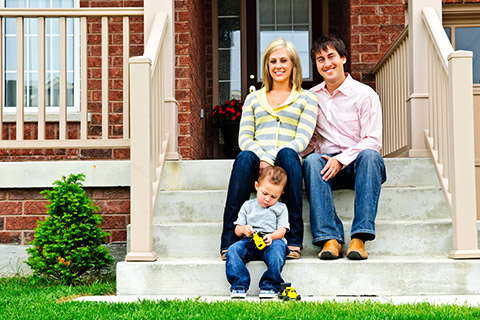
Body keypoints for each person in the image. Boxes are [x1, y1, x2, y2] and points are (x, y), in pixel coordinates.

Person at [220, 38, 318, 260]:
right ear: (267, 65)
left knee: (288, 154)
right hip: (257, 161)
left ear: (293, 64)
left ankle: (293, 242)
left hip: (286, 163)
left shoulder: (307, 98)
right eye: (273, 61)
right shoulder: (253, 98)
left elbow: (302, 139)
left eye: (284, 60)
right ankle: (229, 240)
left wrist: (271, 159)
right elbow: (244, 136)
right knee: (244, 157)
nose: (278, 66)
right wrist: (262, 158)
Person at [302, 35, 387, 260]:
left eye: (331, 56)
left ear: (343, 59)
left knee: (370, 155)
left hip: (359, 166)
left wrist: (341, 159)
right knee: (311, 161)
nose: (327, 63)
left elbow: (373, 140)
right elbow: (309, 141)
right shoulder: (311, 98)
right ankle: (330, 239)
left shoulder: (365, 95)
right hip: (327, 168)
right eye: (320, 59)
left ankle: (359, 238)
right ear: (317, 65)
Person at [226, 166, 289, 299]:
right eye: (264, 193)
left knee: (278, 251)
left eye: (273, 196)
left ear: (281, 194)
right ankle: (239, 284)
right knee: (233, 250)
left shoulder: (281, 208)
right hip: (249, 241)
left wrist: (272, 236)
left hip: (272, 241)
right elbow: (237, 230)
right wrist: (244, 229)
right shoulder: (248, 206)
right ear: (256, 186)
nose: (267, 199)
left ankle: (270, 285)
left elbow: (282, 230)